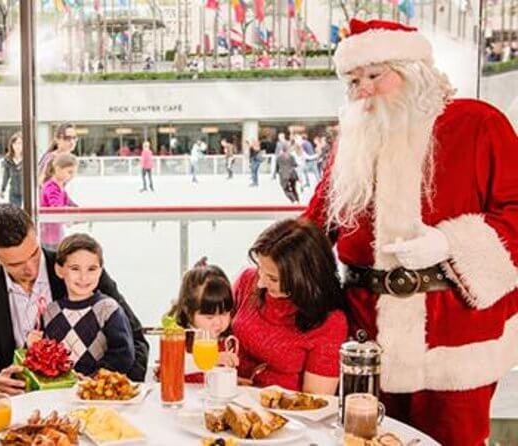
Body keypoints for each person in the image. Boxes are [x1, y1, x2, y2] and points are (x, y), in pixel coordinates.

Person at [303, 19, 518, 445]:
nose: (361, 90)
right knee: (364, 439)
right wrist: (263, 272)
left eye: (373, 76)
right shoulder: (355, 141)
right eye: (352, 80)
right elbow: (314, 224)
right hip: (367, 336)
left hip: (454, 336)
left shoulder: (477, 123)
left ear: (411, 68)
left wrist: (450, 244)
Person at [0, 204, 149, 395]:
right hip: (15, 408)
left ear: (36, 234)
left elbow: (137, 341)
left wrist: (113, 392)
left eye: (34, 254)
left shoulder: (78, 270)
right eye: (16, 264)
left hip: (90, 403)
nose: (31, 269)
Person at [232, 219, 348, 393]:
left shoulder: (329, 322)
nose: (261, 283)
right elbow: (216, 338)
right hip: (229, 399)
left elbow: (317, 402)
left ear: (304, 277)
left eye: (273, 278)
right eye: (260, 269)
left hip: (285, 415)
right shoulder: (248, 280)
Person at [29, 234, 135, 376]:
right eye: (75, 268)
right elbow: (42, 359)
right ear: (59, 270)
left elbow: (123, 355)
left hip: (96, 394)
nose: (83, 277)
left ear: (100, 271)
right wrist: (30, 346)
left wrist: (93, 379)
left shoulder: (108, 309)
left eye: (91, 269)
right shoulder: (50, 311)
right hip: (59, 393)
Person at [166, 263, 239, 383]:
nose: (218, 323)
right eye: (209, 317)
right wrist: (213, 359)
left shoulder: (226, 341)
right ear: (188, 311)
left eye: (225, 314)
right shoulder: (178, 336)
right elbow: (172, 364)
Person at [40, 153, 79, 252]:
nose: (72, 176)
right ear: (58, 169)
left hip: (56, 232)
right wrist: (69, 218)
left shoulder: (59, 186)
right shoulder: (51, 187)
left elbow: (67, 200)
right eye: (69, 172)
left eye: (74, 173)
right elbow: (56, 207)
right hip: (49, 235)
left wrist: (77, 209)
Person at [0, 132, 23, 207]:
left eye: (20, 143)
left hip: (26, 192)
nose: (17, 146)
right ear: (11, 145)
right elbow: (6, 176)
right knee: (15, 212)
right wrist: (3, 189)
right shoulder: (8, 159)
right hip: (13, 192)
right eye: (15, 143)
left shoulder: (27, 158)